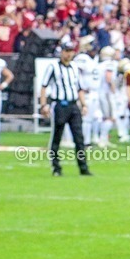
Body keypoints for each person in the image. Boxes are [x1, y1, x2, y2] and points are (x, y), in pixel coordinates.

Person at [39, 41, 92, 177]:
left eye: (70, 51)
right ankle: (56, 167)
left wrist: (84, 104)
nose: (68, 54)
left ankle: (83, 168)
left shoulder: (75, 67)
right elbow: (44, 86)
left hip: (73, 105)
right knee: (57, 137)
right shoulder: (53, 67)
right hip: (60, 105)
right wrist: (44, 104)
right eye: (66, 51)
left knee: (79, 138)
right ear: (61, 52)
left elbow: (79, 88)